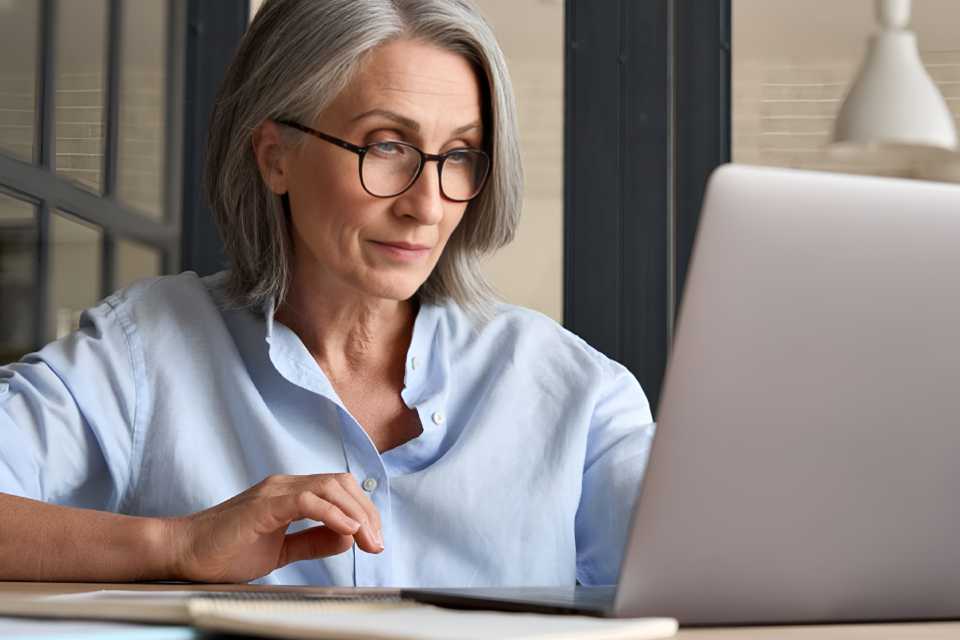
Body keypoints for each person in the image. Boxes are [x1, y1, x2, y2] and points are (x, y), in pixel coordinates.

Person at [0, 0, 654, 587]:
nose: (426, 206)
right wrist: (179, 543)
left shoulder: (579, 392)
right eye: (388, 146)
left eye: (459, 155)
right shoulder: (142, 354)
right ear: (275, 156)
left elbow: (717, 575)